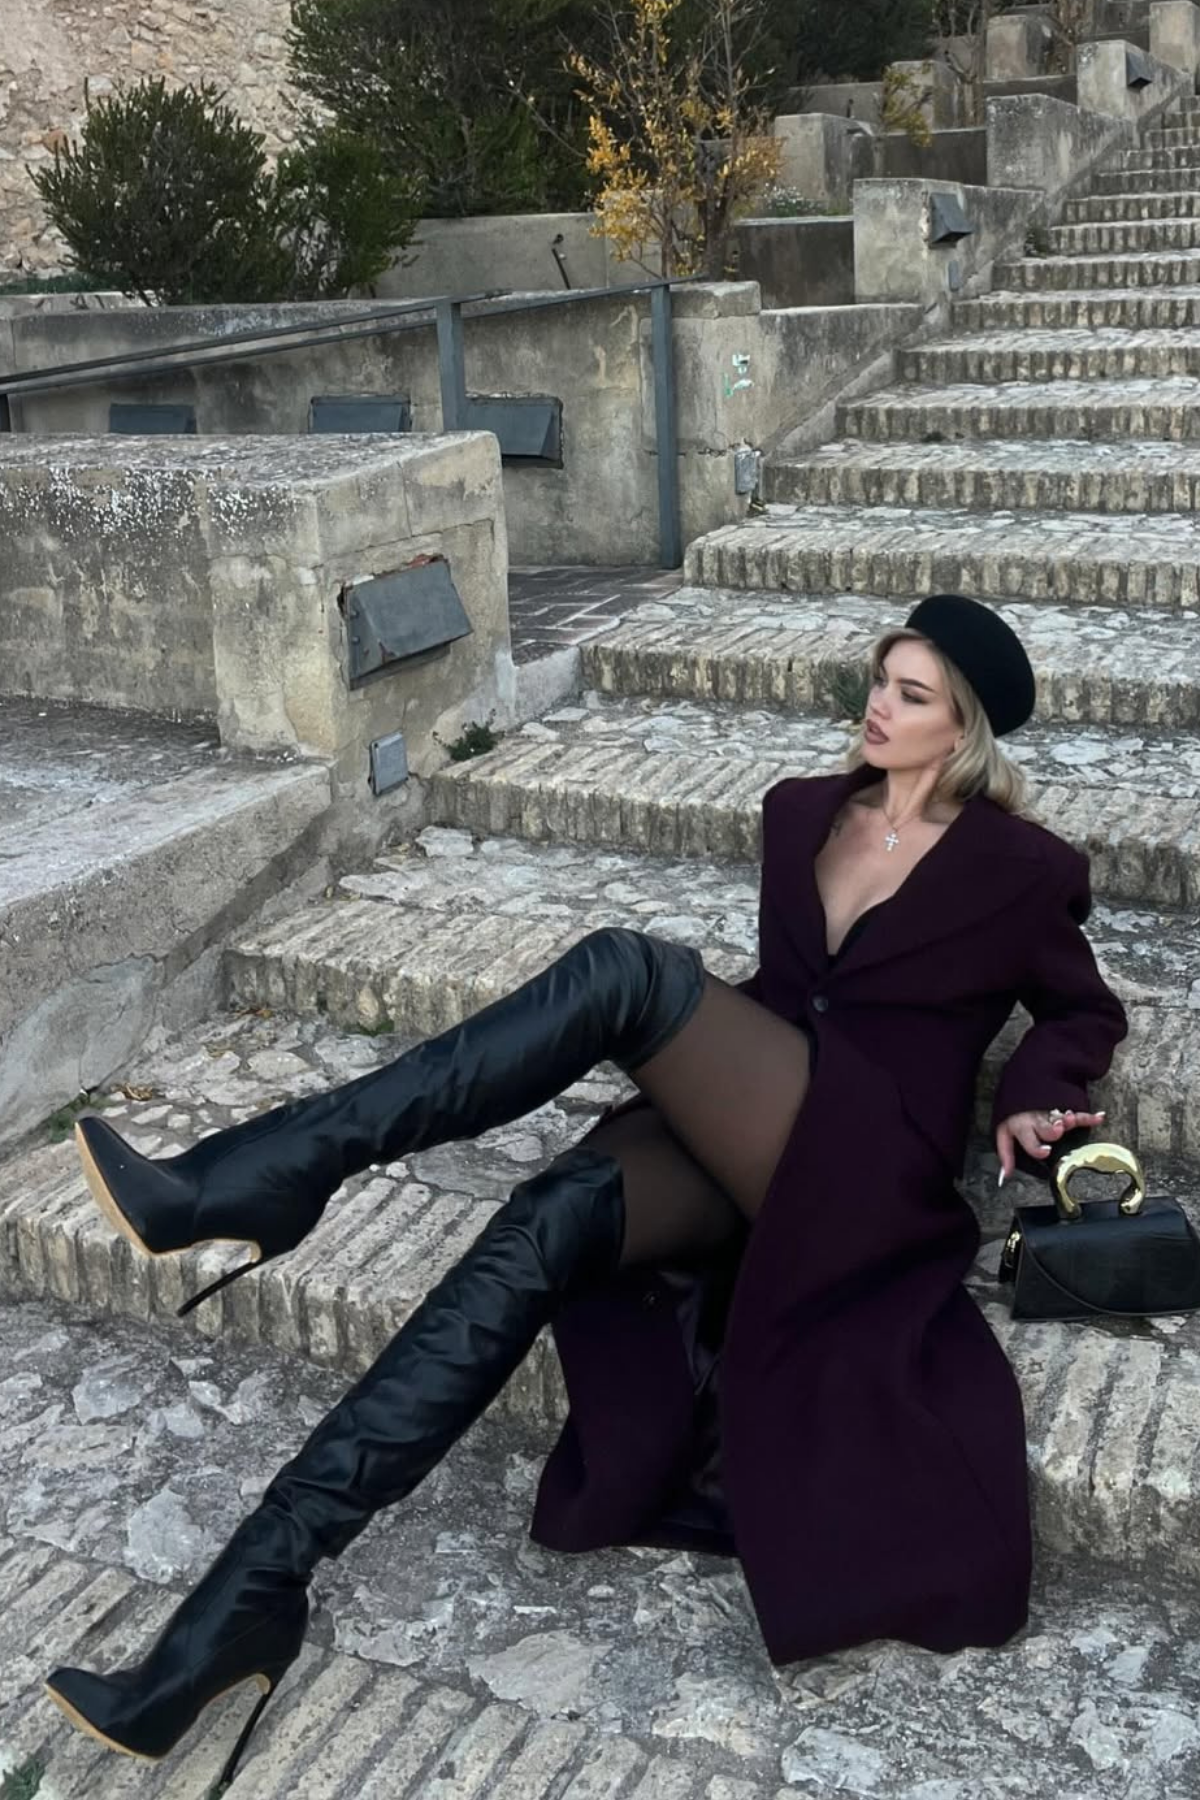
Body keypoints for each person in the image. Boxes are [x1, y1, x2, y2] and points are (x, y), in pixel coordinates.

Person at [44, 594, 1128, 1786]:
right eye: (879, 679)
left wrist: (1037, 1091)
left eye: (911, 695)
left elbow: (1079, 1008)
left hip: (873, 1167)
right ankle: (249, 1597)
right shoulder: (801, 813)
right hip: (759, 1136)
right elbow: (797, 996)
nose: (878, 706)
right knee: (546, 1222)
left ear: (963, 727)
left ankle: (275, 1170)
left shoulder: (1021, 868)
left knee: (625, 971)